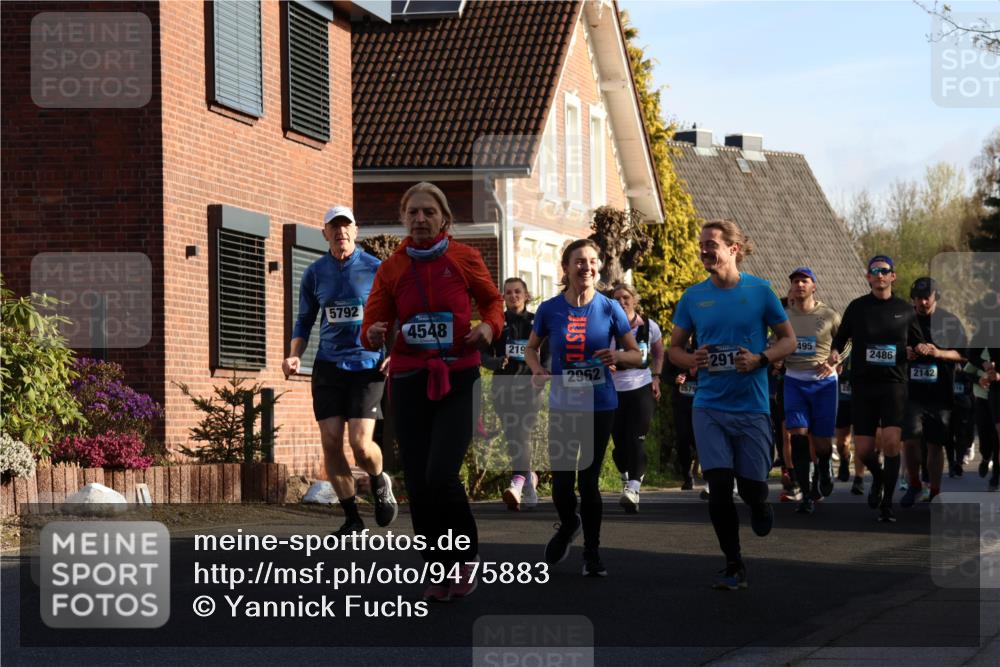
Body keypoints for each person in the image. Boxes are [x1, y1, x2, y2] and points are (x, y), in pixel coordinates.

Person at [361, 182, 504, 603]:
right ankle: (436, 567)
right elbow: (371, 324)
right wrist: (371, 333)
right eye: (413, 213)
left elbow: (493, 303)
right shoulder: (392, 268)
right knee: (420, 482)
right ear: (404, 219)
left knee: (441, 473)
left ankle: (466, 556)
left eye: (429, 212)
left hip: (458, 376)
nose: (421, 219)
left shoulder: (465, 258)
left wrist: (488, 327)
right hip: (408, 380)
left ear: (444, 218)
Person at [668, 220, 796, 590]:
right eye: (701, 244)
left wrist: (760, 358)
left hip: (751, 405)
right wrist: (691, 360)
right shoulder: (693, 296)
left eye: (711, 244)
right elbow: (675, 348)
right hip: (708, 405)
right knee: (720, 485)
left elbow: (787, 340)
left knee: (752, 486)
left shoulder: (761, 291)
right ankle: (733, 562)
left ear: (733, 248)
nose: (704, 250)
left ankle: (760, 504)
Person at [525, 239, 642, 577]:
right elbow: (532, 349)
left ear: (598, 267)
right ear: (566, 267)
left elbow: (637, 354)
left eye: (592, 261)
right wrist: (537, 369)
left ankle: (592, 553)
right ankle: (567, 524)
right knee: (561, 484)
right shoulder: (549, 309)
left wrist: (618, 355)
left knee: (588, 482)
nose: (587, 267)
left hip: (600, 403)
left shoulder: (609, 308)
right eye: (579, 261)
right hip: (562, 403)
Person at [283, 205, 397, 537]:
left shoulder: (376, 268)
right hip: (329, 366)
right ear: (325, 234)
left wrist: (393, 351)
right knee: (331, 442)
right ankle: (352, 518)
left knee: (361, 445)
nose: (340, 232)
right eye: (334, 227)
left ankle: (378, 479)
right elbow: (304, 320)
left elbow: (396, 312)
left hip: (368, 364)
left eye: (346, 226)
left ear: (355, 231)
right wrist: (293, 356)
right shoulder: (315, 272)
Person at [828, 256, 928, 523]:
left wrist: (918, 350)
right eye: (875, 271)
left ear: (893, 276)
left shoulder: (905, 310)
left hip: (894, 384)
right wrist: (835, 353)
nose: (880, 275)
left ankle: (886, 504)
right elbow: (839, 338)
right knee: (863, 450)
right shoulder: (858, 307)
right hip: (863, 384)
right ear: (868, 277)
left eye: (884, 271)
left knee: (893, 443)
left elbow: (918, 343)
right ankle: (880, 477)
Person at [898, 277, 968, 507]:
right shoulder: (905, 319)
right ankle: (915, 484)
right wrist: (906, 352)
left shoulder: (949, 321)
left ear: (936, 296)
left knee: (935, 444)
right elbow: (893, 349)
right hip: (912, 392)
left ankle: (935, 491)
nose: (922, 302)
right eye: (918, 298)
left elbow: (964, 355)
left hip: (941, 394)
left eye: (926, 297)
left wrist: (939, 353)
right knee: (910, 439)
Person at [481, 277, 548, 511]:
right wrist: (495, 362)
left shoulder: (537, 323)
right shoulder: (497, 324)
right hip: (503, 388)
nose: (513, 296)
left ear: (526, 295)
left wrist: (542, 372)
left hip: (530, 388)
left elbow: (548, 352)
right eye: (508, 292)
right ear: (504, 297)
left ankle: (518, 482)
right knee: (513, 436)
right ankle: (529, 480)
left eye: (517, 291)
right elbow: (483, 355)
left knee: (521, 433)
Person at [782, 267, 845, 514]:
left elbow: (846, 342)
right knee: (797, 434)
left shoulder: (829, 314)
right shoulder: (783, 315)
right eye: (795, 281)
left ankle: (825, 464)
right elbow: (774, 341)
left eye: (804, 281)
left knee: (820, 442)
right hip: (794, 380)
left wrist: (836, 360)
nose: (799, 285)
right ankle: (806, 494)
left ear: (813, 286)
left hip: (824, 382)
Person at [610, 283, 665, 513]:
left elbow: (658, 353)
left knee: (636, 439)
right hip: (614, 389)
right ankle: (626, 477)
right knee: (620, 445)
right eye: (617, 299)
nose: (622, 302)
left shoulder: (649, 326)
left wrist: (656, 376)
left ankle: (634, 487)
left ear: (635, 300)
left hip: (641, 385)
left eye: (625, 297)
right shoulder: (608, 327)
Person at [966, 349, 1000, 490]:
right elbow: (966, 372)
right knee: (984, 437)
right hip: (982, 400)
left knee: (997, 439)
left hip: (997, 397)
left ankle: (995, 476)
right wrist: (978, 380)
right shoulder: (982, 353)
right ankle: (986, 458)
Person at [669, 335, 699, 490]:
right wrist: (676, 378)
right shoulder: (676, 349)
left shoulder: (705, 344)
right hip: (681, 403)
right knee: (683, 439)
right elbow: (665, 373)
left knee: (700, 439)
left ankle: (710, 475)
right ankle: (687, 476)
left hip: (701, 402)